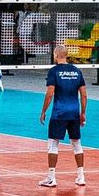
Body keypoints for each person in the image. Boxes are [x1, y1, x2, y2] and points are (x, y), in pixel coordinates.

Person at [38, 45, 87, 187]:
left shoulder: (54, 71)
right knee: (76, 144)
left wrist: (43, 111)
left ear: (55, 55)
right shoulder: (77, 71)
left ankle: (51, 178)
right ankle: (81, 177)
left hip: (59, 113)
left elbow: (50, 93)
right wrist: (83, 113)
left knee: (53, 143)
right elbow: (84, 95)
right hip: (74, 113)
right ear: (66, 55)